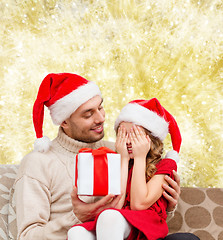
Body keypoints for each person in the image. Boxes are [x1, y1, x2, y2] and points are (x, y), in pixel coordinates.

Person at [14, 73, 197, 240]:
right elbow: (27, 236)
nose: (101, 118)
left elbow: (139, 207)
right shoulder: (38, 163)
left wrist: (166, 203)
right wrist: (77, 217)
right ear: (64, 121)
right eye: (88, 114)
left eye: (101, 108)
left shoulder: (120, 149)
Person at [67, 98, 182, 239]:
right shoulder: (119, 163)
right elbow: (116, 205)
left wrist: (140, 157)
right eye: (123, 134)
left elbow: (138, 204)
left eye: (134, 135)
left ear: (151, 138)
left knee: (109, 217)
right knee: (76, 232)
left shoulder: (165, 165)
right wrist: (123, 159)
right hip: (118, 223)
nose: (127, 141)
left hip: (145, 226)